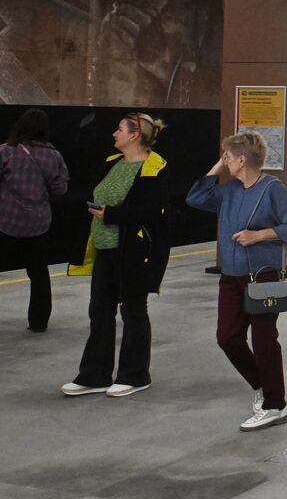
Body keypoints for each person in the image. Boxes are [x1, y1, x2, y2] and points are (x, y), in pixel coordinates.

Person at [186, 131, 287, 431]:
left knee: (265, 339)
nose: (224, 162)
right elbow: (194, 197)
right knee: (227, 337)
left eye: (228, 157)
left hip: (262, 273)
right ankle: (262, 386)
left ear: (242, 160)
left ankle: (275, 405)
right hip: (231, 275)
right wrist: (217, 166)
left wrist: (259, 235)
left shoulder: (273, 189)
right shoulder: (228, 190)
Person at [63, 112, 172, 398]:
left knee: (133, 311)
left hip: (133, 252)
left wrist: (111, 215)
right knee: (99, 311)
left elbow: (152, 212)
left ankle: (135, 375)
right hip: (104, 250)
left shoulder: (154, 168)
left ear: (135, 135)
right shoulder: (113, 163)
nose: (114, 133)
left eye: (120, 129)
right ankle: (94, 374)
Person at [0, 109, 69, 332]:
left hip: (6, 221)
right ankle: (39, 322)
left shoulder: (6, 151)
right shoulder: (54, 156)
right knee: (38, 272)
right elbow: (61, 188)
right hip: (38, 223)